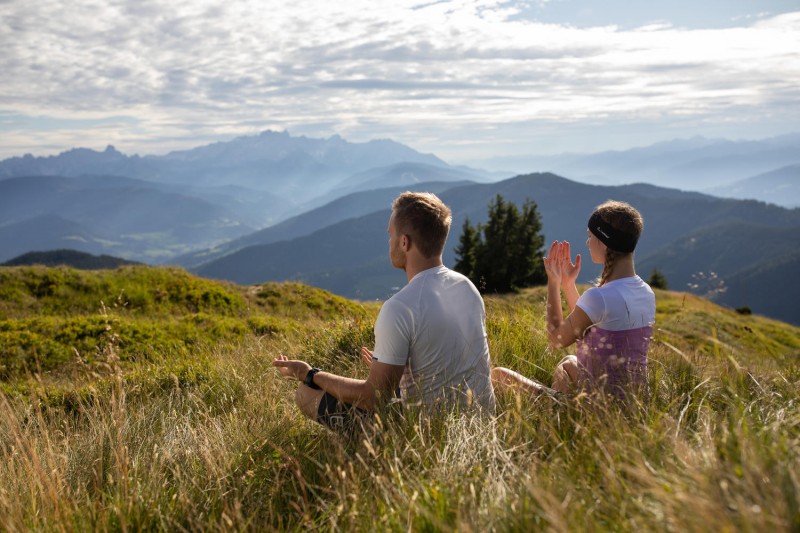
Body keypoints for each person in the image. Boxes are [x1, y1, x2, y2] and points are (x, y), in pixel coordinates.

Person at [273, 192, 496, 433]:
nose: (389, 242)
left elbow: (373, 398)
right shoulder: (468, 288)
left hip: (426, 437)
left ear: (404, 242)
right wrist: (399, 368)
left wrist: (309, 373)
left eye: (391, 234)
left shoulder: (400, 307)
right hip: (482, 426)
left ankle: (357, 457)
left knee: (306, 394)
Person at [492, 200, 655, 398]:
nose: (587, 242)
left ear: (603, 243)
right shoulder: (645, 292)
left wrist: (553, 281)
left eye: (590, 236)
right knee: (569, 362)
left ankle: (563, 420)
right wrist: (568, 285)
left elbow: (556, 340)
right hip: (633, 405)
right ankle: (562, 414)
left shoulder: (600, 297)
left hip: (599, 412)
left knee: (498, 375)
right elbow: (587, 322)